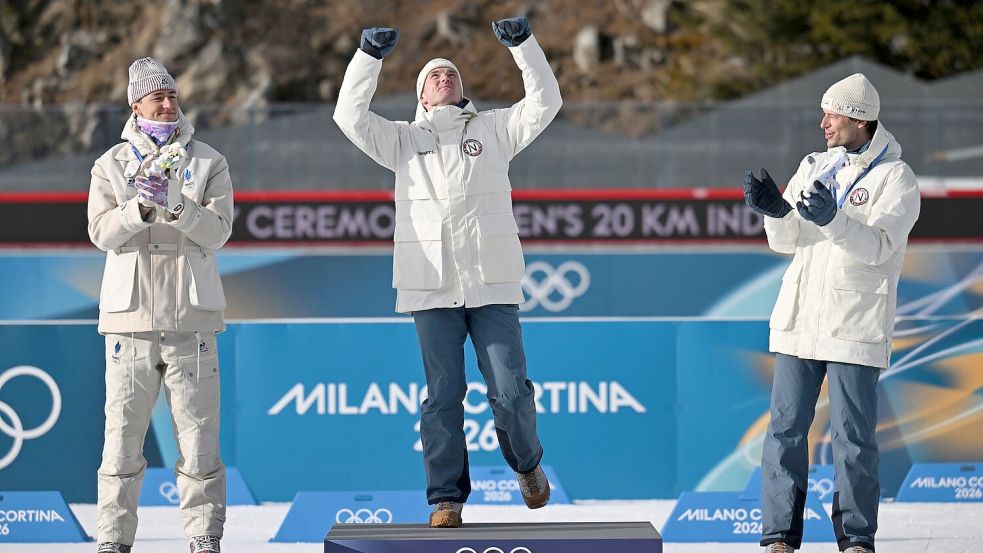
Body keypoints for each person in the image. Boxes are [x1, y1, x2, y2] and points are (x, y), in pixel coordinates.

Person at [333, 17, 561, 528]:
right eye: (433, 76)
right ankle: (445, 499)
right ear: (421, 96)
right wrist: (368, 57)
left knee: (510, 390)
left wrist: (524, 46)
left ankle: (527, 465)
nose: (444, 78)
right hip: (430, 287)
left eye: (451, 73)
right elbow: (348, 115)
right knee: (442, 397)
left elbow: (546, 102)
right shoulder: (400, 141)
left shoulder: (495, 130)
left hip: (492, 282)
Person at [743, 73, 920, 553]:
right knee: (783, 431)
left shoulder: (896, 178)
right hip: (801, 321)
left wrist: (833, 220)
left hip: (854, 326)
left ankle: (856, 538)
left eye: (833, 114)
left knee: (853, 438)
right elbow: (790, 242)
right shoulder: (815, 165)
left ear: (860, 119)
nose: (823, 123)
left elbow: (880, 248)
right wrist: (776, 212)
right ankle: (778, 536)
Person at [87, 57, 233, 553]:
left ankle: (204, 538)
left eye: (172, 96)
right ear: (136, 105)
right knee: (122, 443)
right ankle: (112, 541)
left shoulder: (209, 161)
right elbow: (100, 232)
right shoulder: (110, 164)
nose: (169, 105)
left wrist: (175, 205)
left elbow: (218, 232)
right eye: (158, 98)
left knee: (199, 442)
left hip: (192, 321)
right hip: (129, 324)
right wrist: (140, 208)